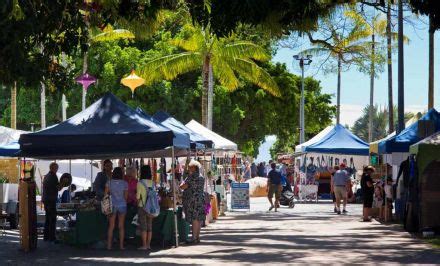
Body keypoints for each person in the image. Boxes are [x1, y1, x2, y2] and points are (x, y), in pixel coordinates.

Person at [181, 160, 206, 244]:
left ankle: (194, 238)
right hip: (200, 199)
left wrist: (183, 181)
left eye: (190, 167)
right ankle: (197, 237)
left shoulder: (191, 177)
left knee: (194, 219)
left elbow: (183, 186)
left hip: (193, 200)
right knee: (199, 219)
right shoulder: (201, 176)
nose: (189, 169)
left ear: (194, 168)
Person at [105, 167, 128, 250]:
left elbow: (106, 196)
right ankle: (121, 246)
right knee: (121, 226)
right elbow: (125, 197)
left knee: (111, 226)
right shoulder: (125, 183)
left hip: (112, 205)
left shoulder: (109, 183)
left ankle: (109, 246)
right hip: (122, 205)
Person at [136, 165, 154, 250]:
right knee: (149, 226)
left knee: (143, 226)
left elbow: (137, 197)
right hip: (151, 207)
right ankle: (149, 245)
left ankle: (144, 245)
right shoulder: (152, 182)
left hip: (142, 206)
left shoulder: (140, 183)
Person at [42, 162, 61, 242]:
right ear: (53, 168)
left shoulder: (46, 176)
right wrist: (63, 184)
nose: (57, 169)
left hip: (46, 199)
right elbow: (57, 188)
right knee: (52, 218)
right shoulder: (53, 176)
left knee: (47, 219)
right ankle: (52, 237)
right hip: (51, 200)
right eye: (56, 168)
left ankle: (46, 237)